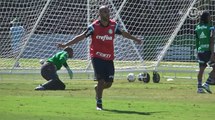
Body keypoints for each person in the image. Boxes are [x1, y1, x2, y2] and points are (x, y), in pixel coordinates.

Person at [58, 5, 142, 110]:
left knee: (109, 83)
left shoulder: (113, 25)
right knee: (101, 80)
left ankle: (97, 89)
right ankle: (99, 103)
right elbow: (81, 36)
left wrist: (136, 39)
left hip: (109, 58)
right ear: (100, 14)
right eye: (105, 12)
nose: (108, 13)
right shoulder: (94, 27)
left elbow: (124, 33)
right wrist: (66, 44)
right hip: (96, 57)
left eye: (108, 11)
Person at [195, 11, 215, 93]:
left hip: (200, 51)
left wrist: (197, 50)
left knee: (201, 70)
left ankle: (199, 88)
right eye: (209, 16)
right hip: (208, 51)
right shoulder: (210, 27)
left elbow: (196, 41)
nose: (210, 18)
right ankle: (207, 83)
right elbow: (211, 41)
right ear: (206, 18)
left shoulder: (197, 28)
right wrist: (212, 53)